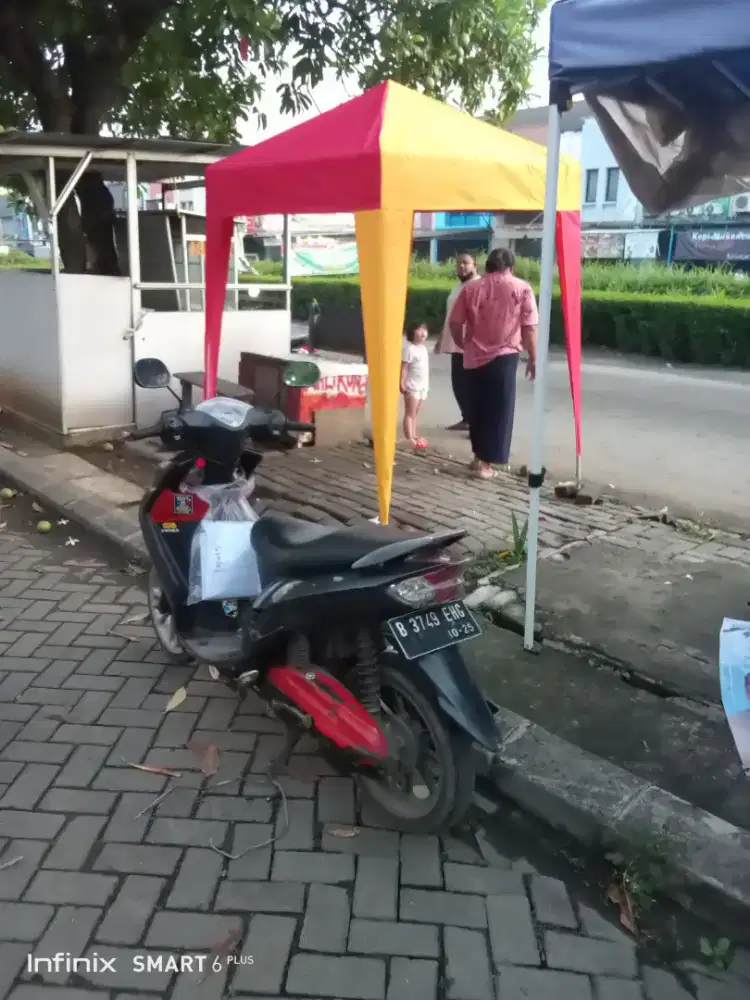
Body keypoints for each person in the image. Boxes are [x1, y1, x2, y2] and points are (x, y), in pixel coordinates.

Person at [449, 248, 537, 480]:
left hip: (473, 356)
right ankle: (485, 465)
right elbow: (529, 327)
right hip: (504, 357)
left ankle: (478, 457)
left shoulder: (470, 288)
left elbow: (455, 323)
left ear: (487, 265)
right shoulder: (522, 288)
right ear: (511, 266)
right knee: (498, 411)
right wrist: (534, 357)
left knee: (477, 408)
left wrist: (462, 343)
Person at [434, 251, 478, 431]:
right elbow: (450, 315)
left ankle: (475, 422)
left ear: (475, 265)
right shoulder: (457, 288)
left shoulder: (478, 286)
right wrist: (441, 337)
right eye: (459, 263)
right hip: (455, 342)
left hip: (471, 344)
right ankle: (467, 418)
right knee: (458, 383)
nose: (461, 266)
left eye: (466, 262)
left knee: (470, 385)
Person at [401, 321, 430, 450]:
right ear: (412, 332)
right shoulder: (409, 349)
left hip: (423, 386)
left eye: (424, 329)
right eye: (419, 329)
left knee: (415, 413)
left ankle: (413, 434)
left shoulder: (423, 349)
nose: (423, 332)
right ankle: (409, 438)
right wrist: (402, 382)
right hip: (412, 385)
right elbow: (404, 368)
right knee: (410, 413)